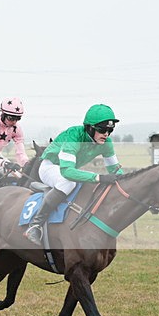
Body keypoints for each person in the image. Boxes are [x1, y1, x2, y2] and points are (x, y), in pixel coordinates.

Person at [24, 103, 124, 246]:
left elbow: (116, 171)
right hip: (50, 167)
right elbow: (67, 172)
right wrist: (99, 178)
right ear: (90, 127)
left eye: (110, 130)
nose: (106, 134)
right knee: (68, 183)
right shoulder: (73, 136)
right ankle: (35, 225)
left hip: (68, 170)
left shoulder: (106, 143)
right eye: (102, 129)